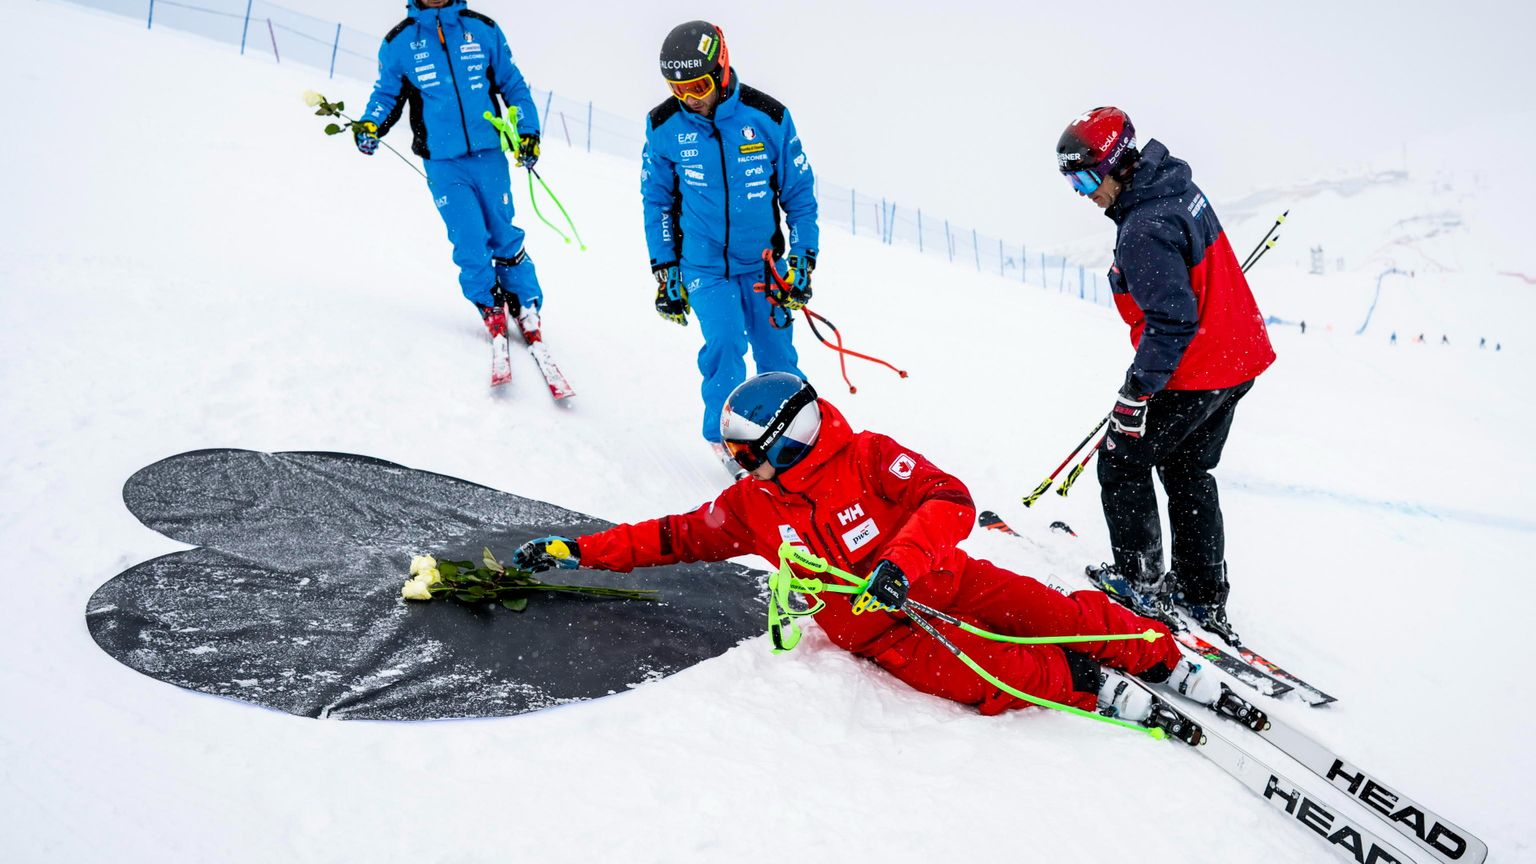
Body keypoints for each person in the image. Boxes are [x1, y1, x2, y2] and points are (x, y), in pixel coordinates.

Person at [511, 373, 1222, 727]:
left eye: (742, 450)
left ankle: (1154, 653)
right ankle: (1086, 682)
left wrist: (900, 564)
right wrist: (576, 549)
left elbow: (951, 500)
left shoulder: (867, 456)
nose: (733, 462)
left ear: (785, 442)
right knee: (981, 678)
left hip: (947, 580)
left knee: (1044, 609)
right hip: (882, 633)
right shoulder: (749, 507)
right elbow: (668, 538)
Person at [1056, 107, 1275, 645]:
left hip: (1198, 368)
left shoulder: (1144, 227)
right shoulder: (1174, 187)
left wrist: (1136, 393)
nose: (1083, 193)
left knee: (1122, 462)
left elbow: (1173, 321)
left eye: (1085, 177)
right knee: (1188, 472)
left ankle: (1144, 586)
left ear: (1117, 163)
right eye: (1070, 181)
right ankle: (1203, 594)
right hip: (1238, 356)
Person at [641, 21, 820, 481]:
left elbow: (798, 194)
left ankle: (796, 438)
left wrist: (802, 259)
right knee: (724, 344)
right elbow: (657, 199)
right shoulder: (664, 126)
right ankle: (725, 440)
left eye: (698, 86)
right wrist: (666, 269)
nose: (690, 99)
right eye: (678, 89)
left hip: (762, 264)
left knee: (777, 356)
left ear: (721, 69)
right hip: (702, 265)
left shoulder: (769, 117)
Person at [356, 0, 546, 342]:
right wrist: (370, 124)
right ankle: (489, 305)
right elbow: (386, 95)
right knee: (469, 238)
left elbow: (513, 85)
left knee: (502, 231)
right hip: (442, 161)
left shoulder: (483, 29)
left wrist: (528, 132)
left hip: (489, 153)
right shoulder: (399, 42)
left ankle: (524, 302)